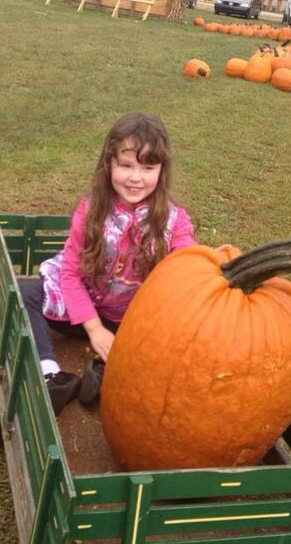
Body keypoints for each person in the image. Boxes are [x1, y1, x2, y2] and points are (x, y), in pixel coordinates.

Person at [19, 112, 195, 415]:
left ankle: (104, 372)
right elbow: (70, 273)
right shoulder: (91, 213)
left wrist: (208, 264)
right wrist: (95, 328)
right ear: (109, 164)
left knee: (167, 340)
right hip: (83, 311)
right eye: (125, 165)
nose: (135, 177)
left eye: (147, 167)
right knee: (26, 295)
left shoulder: (173, 221)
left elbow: (188, 265)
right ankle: (52, 375)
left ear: (161, 170)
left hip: (133, 322)